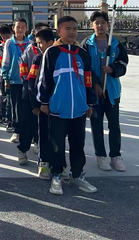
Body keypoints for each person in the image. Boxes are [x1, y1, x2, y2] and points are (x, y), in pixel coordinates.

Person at [37, 16, 97, 195]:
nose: (72, 32)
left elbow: (88, 80)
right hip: (58, 108)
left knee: (78, 144)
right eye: (68, 29)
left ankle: (77, 175)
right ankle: (56, 176)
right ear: (59, 31)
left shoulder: (83, 54)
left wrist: (89, 102)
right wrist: (45, 102)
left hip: (78, 108)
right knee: (57, 144)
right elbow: (44, 79)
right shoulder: (52, 53)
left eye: (75, 29)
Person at [81, 11, 128, 172]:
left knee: (114, 124)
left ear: (108, 25)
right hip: (95, 93)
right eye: (97, 23)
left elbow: (123, 63)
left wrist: (113, 68)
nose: (100, 26)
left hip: (112, 91)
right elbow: (84, 67)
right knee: (96, 124)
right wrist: (95, 85)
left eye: (103, 22)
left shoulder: (114, 43)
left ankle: (115, 155)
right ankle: (100, 155)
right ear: (92, 25)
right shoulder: (87, 44)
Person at [27, 27, 55, 180]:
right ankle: (43, 163)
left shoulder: (60, 57)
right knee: (43, 133)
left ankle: (58, 164)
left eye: (40, 43)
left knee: (57, 135)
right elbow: (31, 83)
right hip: (43, 105)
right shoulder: (38, 59)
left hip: (58, 105)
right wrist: (36, 104)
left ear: (50, 42)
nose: (38, 47)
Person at [1, 18, 31, 143]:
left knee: (27, 108)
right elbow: (6, 61)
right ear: (13, 28)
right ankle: (16, 131)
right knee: (15, 107)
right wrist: (6, 77)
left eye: (23, 27)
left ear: (26, 28)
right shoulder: (9, 43)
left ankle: (29, 134)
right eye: (18, 27)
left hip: (28, 80)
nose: (20, 29)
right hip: (14, 80)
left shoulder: (30, 43)